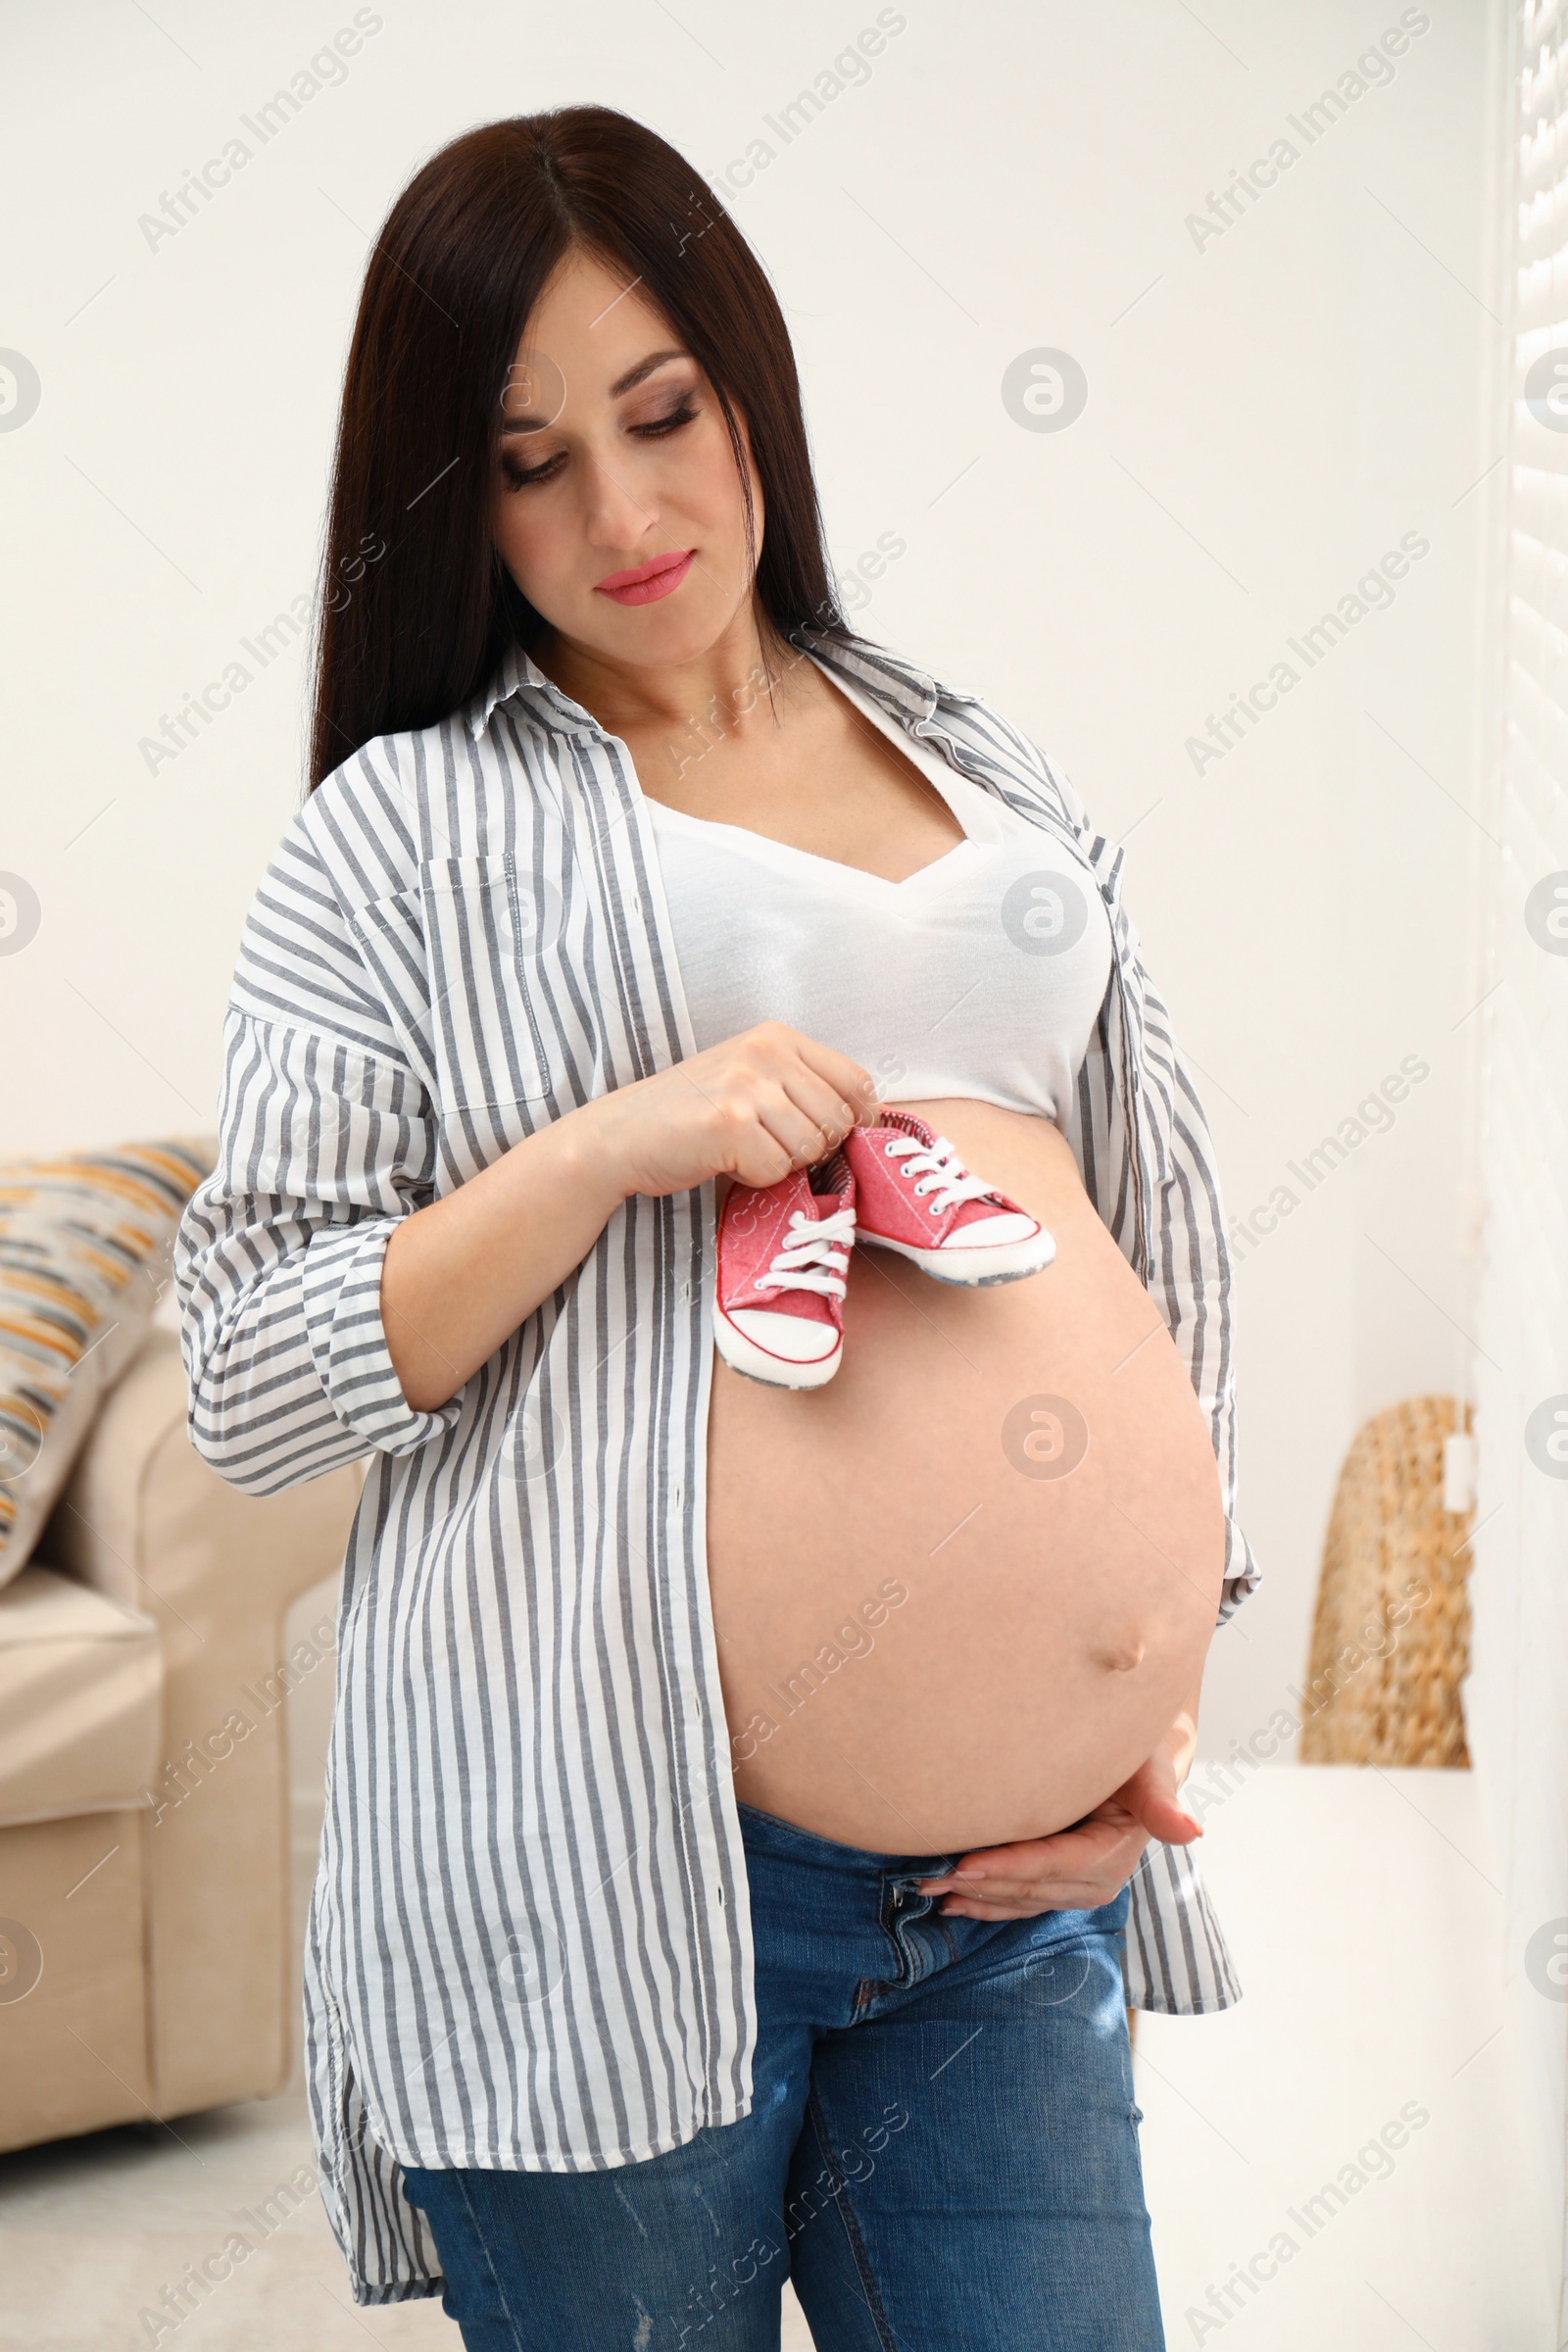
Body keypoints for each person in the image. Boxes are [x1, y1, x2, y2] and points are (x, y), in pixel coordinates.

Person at [175, 103, 1259, 2352]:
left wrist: (1152, 1685)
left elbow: (1158, 1242)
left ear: (747, 388)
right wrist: (596, 1150)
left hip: (1009, 1890)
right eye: (528, 457)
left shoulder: (985, 765)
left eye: (662, 415)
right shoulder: (404, 837)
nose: (625, 511)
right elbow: (250, 1367)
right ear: (449, 498)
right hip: (596, 1882)